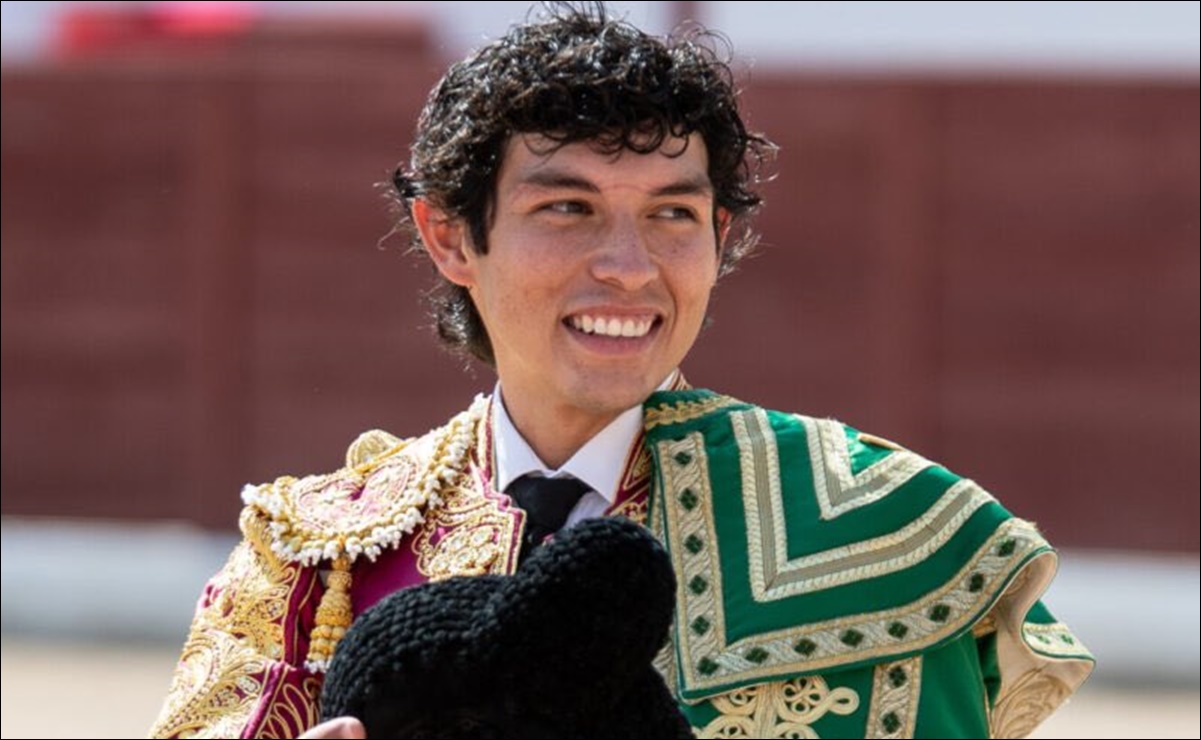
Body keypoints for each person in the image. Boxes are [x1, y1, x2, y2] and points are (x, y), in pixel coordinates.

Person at [149, 4, 1093, 738]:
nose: (630, 268)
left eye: (674, 216)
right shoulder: (317, 552)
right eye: (567, 209)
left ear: (719, 237)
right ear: (449, 236)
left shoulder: (879, 529)